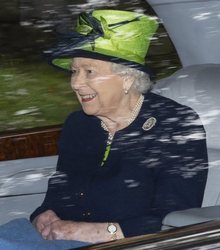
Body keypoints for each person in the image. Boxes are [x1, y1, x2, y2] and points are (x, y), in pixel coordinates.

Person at [29, 9, 208, 244]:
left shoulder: (176, 126)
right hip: (61, 240)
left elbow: (175, 219)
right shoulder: (78, 125)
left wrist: (90, 232)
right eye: (74, 71)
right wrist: (42, 215)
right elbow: (57, 196)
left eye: (89, 72)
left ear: (127, 78)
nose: (75, 83)